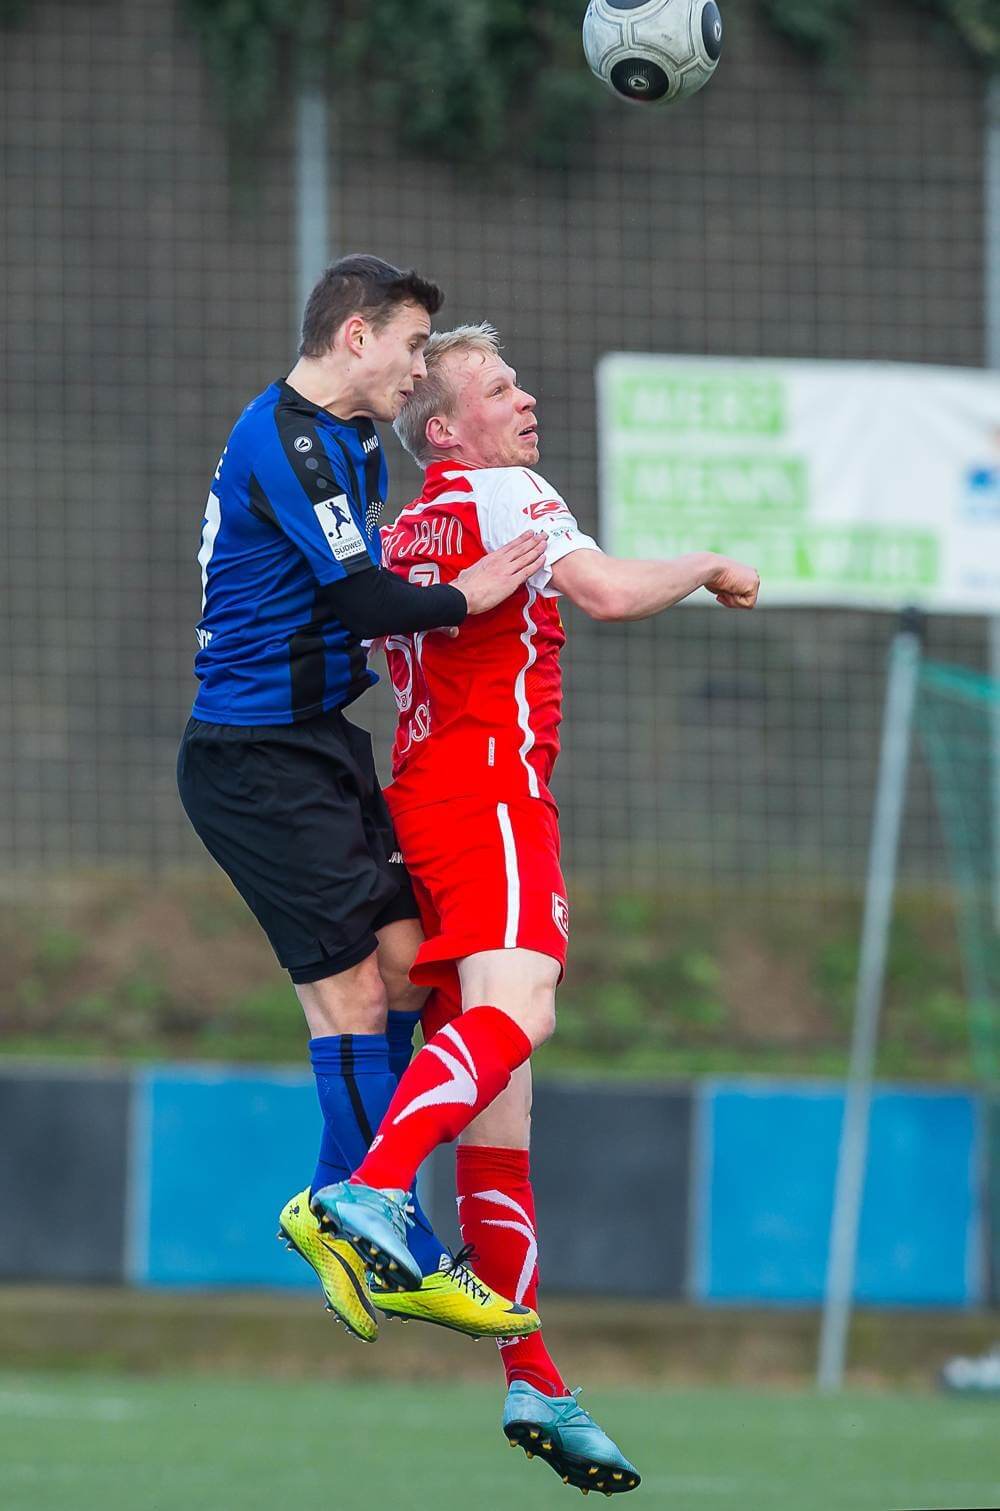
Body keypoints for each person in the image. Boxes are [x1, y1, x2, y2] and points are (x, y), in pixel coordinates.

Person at [310, 322, 760, 1493]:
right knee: (526, 1015)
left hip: (421, 807)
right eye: (496, 387)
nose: (526, 398)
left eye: (518, 381)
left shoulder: (408, 532)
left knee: (500, 1119)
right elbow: (605, 594)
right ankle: (368, 1186)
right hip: (492, 799)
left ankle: (535, 1372)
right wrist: (708, 565)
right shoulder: (505, 490)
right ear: (444, 430)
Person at [176, 259, 549, 1346]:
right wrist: (463, 595)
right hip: (255, 764)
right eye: (412, 347)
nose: (418, 369)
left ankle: (332, 1199)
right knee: (351, 997)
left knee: (403, 959)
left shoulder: (338, 442)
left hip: (314, 746)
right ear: (355, 336)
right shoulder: (289, 441)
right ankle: (400, 1239)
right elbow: (361, 595)